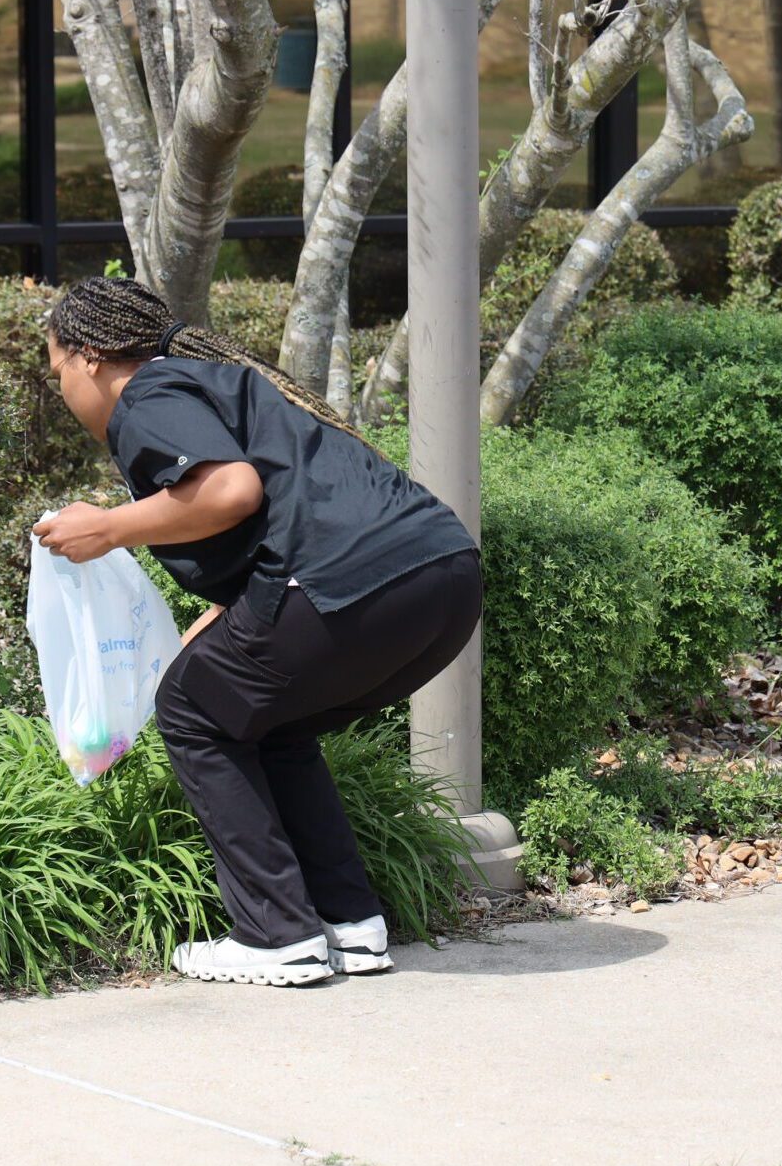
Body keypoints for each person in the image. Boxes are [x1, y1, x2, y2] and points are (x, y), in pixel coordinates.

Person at [36, 276, 482, 988]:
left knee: (189, 705)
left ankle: (276, 935)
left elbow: (231, 490)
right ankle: (349, 923)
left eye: (57, 369)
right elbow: (284, 508)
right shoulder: (217, 385)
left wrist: (110, 527)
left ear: (89, 357)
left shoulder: (149, 392)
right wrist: (227, 615)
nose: (61, 390)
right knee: (264, 717)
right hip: (445, 579)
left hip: (352, 582)